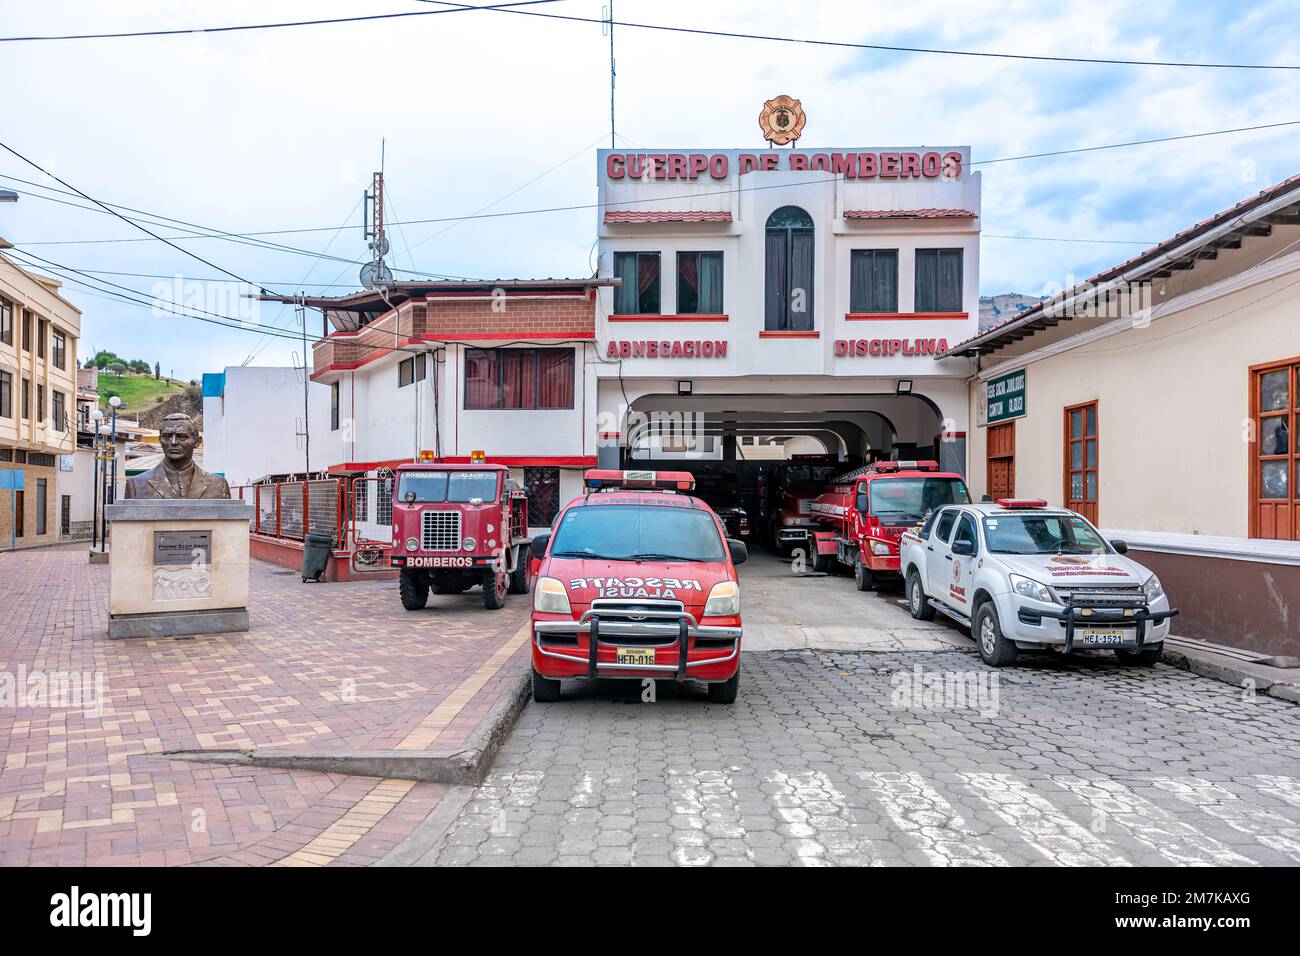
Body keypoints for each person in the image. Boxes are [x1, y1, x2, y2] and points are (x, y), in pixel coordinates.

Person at [123, 413, 230, 499]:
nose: (173, 442)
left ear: (197, 442)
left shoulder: (219, 485)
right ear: (160, 440)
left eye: (182, 437)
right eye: (167, 436)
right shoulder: (136, 485)